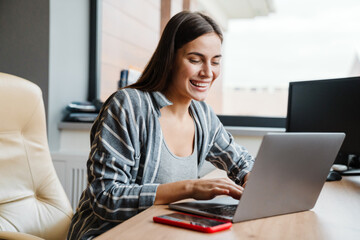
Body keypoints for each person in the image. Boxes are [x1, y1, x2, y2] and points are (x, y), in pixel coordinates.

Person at [67, 10, 254, 240]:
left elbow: (241, 162)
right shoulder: (128, 106)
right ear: (170, 58)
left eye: (215, 61)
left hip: (162, 233)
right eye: (195, 60)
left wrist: (250, 177)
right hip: (109, 234)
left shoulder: (202, 115)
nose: (208, 72)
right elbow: (105, 197)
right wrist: (190, 189)